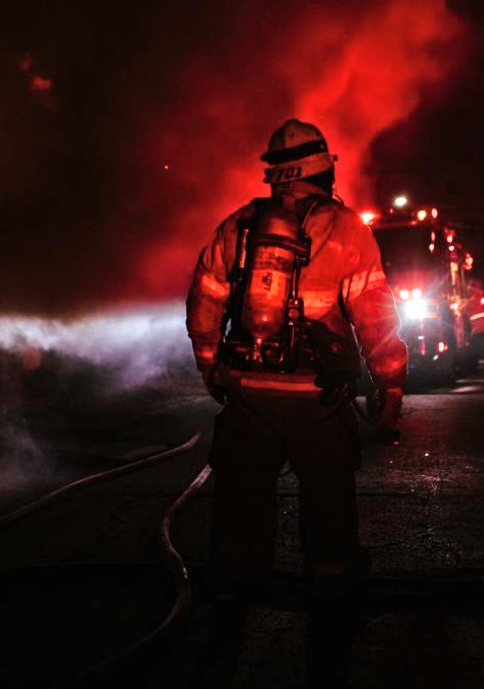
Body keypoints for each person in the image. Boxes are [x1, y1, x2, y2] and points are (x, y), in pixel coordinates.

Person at [184, 118, 408, 687]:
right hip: (317, 400)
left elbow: (205, 298)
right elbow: (375, 315)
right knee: (328, 505)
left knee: (240, 506)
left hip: (248, 395)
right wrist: (390, 381)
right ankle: (331, 603)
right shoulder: (347, 228)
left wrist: (211, 366)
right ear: (324, 170)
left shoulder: (239, 225)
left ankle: (232, 601)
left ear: (276, 173)